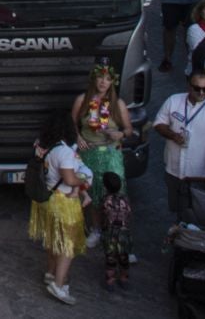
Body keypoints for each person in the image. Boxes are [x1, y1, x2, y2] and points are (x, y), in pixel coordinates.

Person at [154, 72, 205, 223]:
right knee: (176, 208)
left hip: (198, 173)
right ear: (189, 86)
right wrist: (173, 135)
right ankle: (178, 233)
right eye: (197, 88)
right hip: (173, 168)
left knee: (195, 211)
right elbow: (159, 123)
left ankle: (188, 240)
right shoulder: (174, 100)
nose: (202, 92)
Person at [31, 112, 88, 305]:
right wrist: (84, 179)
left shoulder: (44, 147)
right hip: (63, 202)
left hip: (48, 200)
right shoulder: (64, 151)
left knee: (52, 239)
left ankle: (50, 272)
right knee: (68, 246)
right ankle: (58, 283)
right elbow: (70, 179)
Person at [72, 63, 132, 244]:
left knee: (116, 189)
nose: (103, 82)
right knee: (93, 191)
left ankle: (119, 233)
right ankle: (96, 229)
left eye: (107, 79)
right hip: (89, 152)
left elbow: (128, 129)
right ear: (94, 79)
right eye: (100, 78)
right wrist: (77, 137)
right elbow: (72, 122)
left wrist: (120, 134)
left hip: (111, 152)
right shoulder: (82, 100)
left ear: (112, 82)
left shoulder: (117, 104)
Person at [97, 170, 133, 292]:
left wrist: (101, 227)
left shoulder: (105, 200)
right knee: (124, 257)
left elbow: (102, 216)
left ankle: (110, 280)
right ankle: (124, 278)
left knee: (110, 258)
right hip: (124, 233)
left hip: (110, 233)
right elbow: (129, 214)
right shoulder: (125, 199)